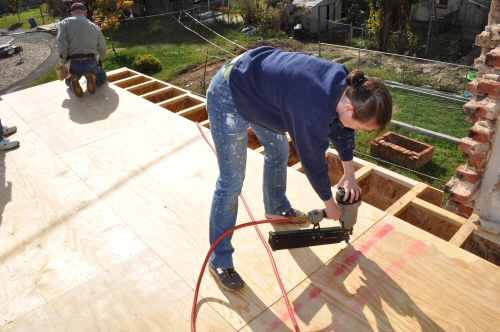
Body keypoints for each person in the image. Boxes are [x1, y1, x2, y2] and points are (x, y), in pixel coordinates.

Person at [205, 46, 393, 291]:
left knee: (279, 150)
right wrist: (330, 205)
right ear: (350, 109)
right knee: (232, 180)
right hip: (230, 93)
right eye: (362, 127)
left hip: (263, 93)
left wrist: (349, 175)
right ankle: (219, 259)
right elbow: (313, 163)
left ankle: (276, 208)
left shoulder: (346, 87)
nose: (360, 132)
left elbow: (342, 130)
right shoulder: (311, 109)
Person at [57, 2, 107, 97]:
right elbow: (103, 47)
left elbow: (61, 45)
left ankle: (73, 82)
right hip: (90, 62)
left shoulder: (65, 23)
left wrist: (63, 63)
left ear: (72, 14)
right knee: (102, 75)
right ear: (86, 13)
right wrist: (100, 61)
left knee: (68, 80)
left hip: (73, 64)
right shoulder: (94, 27)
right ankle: (93, 78)